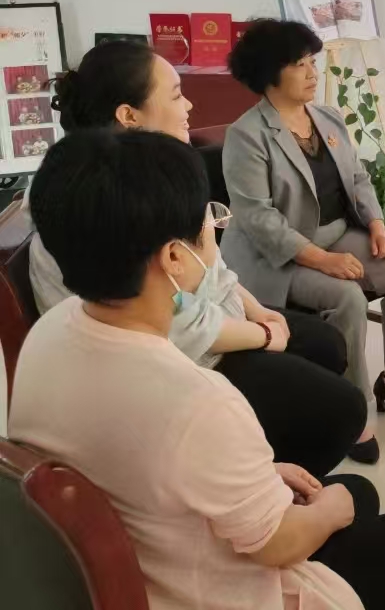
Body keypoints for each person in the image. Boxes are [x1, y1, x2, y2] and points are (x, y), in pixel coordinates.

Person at [10, 130, 385, 610]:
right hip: (201, 590)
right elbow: (278, 544)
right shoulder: (199, 401)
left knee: (356, 491)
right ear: (174, 258)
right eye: (209, 219)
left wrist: (263, 476)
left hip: (132, 555)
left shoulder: (49, 332)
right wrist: (335, 510)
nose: (215, 228)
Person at [29, 40, 366, 474]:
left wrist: (258, 313)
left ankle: (269, 461)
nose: (189, 105)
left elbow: (214, 271)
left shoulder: (158, 174)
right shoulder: (112, 204)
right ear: (129, 115)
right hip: (170, 361)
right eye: (175, 95)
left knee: (325, 344)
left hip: (199, 325)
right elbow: (174, 323)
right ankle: (261, 474)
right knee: (341, 409)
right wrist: (264, 335)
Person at [221, 19, 385, 447]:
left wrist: (377, 226)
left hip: (336, 234)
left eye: (312, 61)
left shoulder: (326, 117)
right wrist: (323, 261)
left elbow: (357, 178)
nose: (313, 72)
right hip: (276, 256)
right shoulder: (246, 135)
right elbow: (258, 219)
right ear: (269, 72)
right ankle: (351, 408)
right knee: (347, 297)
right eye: (299, 64)